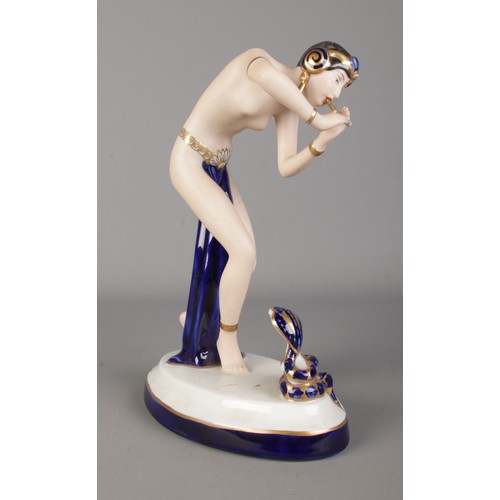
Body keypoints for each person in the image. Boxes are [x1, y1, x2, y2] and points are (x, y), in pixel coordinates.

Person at [168, 41, 359, 373]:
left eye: (343, 87)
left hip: (218, 165)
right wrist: (319, 121)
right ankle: (226, 340)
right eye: (338, 80)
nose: (337, 94)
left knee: (248, 258)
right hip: (190, 160)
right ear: (315, 63)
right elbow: (272, 82)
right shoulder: (259, 63)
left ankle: (198, 320)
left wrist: (320, 143)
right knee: (242, 252)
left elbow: (286, 166)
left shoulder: (290, 106)